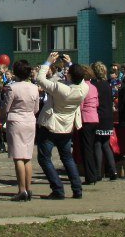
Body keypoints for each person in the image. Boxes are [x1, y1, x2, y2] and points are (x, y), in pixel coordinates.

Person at [36, 54, 87, 200]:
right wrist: (70, 63)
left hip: (52, 125)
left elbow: (40, 79)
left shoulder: (60, 88)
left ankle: (58, 189)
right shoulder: (84, 89)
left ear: (69, 76)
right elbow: (80, 78)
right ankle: (77, 189)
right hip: (67, 127)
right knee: (67, 158)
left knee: (44, 158)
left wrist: (48, 62)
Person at [2, 59, 40, 201]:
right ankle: (29, 189)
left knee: (18, 156)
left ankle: (21, 189)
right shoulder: (34, 88)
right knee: (27, 156)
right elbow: (36, 108)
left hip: (16, 121)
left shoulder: (13, 88)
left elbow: (6, 107)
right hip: (30, 120)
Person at [90, 61, 118, 181]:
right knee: (106, 144)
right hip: (108, 117)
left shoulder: (94, 86)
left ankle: (98, 172)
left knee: (97, 144)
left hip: (98, 116)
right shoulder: (108, 85)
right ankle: (113, 171)